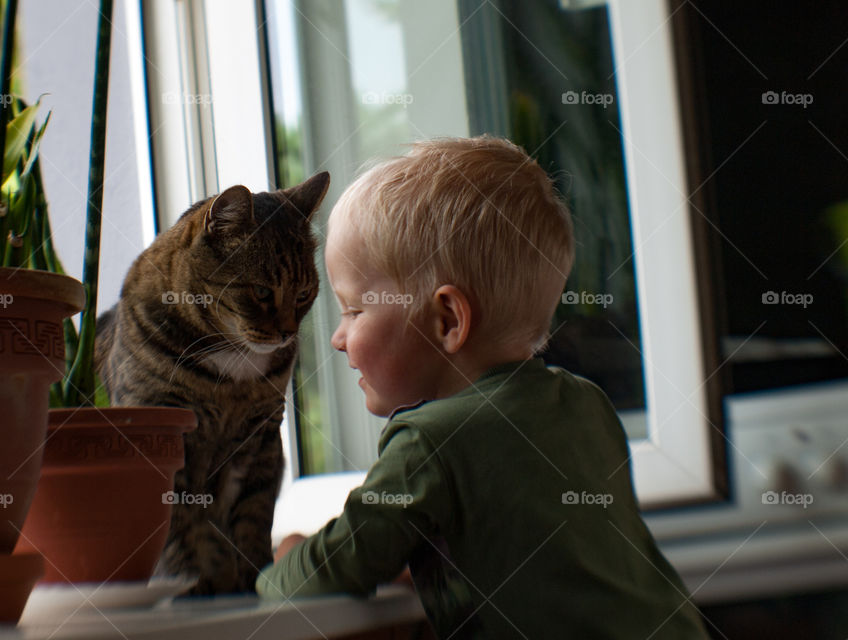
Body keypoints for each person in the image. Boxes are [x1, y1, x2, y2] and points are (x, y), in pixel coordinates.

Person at [255, 136, 710, 639]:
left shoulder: (429, 440)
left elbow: (337, 569)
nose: (339, 339)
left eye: (354, 310)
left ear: (447, 318)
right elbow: (535, 550)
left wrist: (286, 559)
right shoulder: (584, 404)